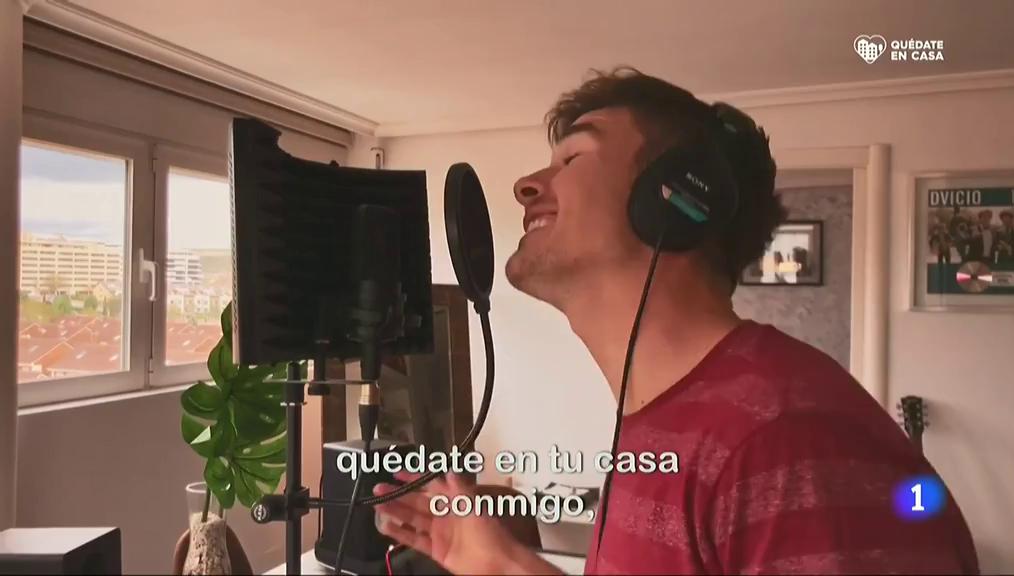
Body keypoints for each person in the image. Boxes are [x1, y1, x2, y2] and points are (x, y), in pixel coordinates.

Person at [372, 68, 978, 575]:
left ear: (674, 199)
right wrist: (504, 565)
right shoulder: (666, 429)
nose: (526, 186)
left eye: (572, 158)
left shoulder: (785, 441)